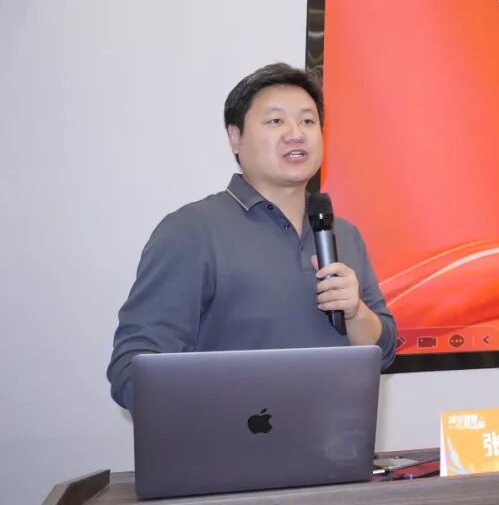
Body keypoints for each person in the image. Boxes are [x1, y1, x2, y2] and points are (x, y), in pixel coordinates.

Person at [107, 63, 396, 411]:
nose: (296, 134)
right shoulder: (191, 231)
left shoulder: (343, 234)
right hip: (232, 443)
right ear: (235, 137)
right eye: (275, 121)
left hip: (335, 441)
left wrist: (356, 313)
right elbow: (133, 371)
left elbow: (385, 352)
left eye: (307, 121)